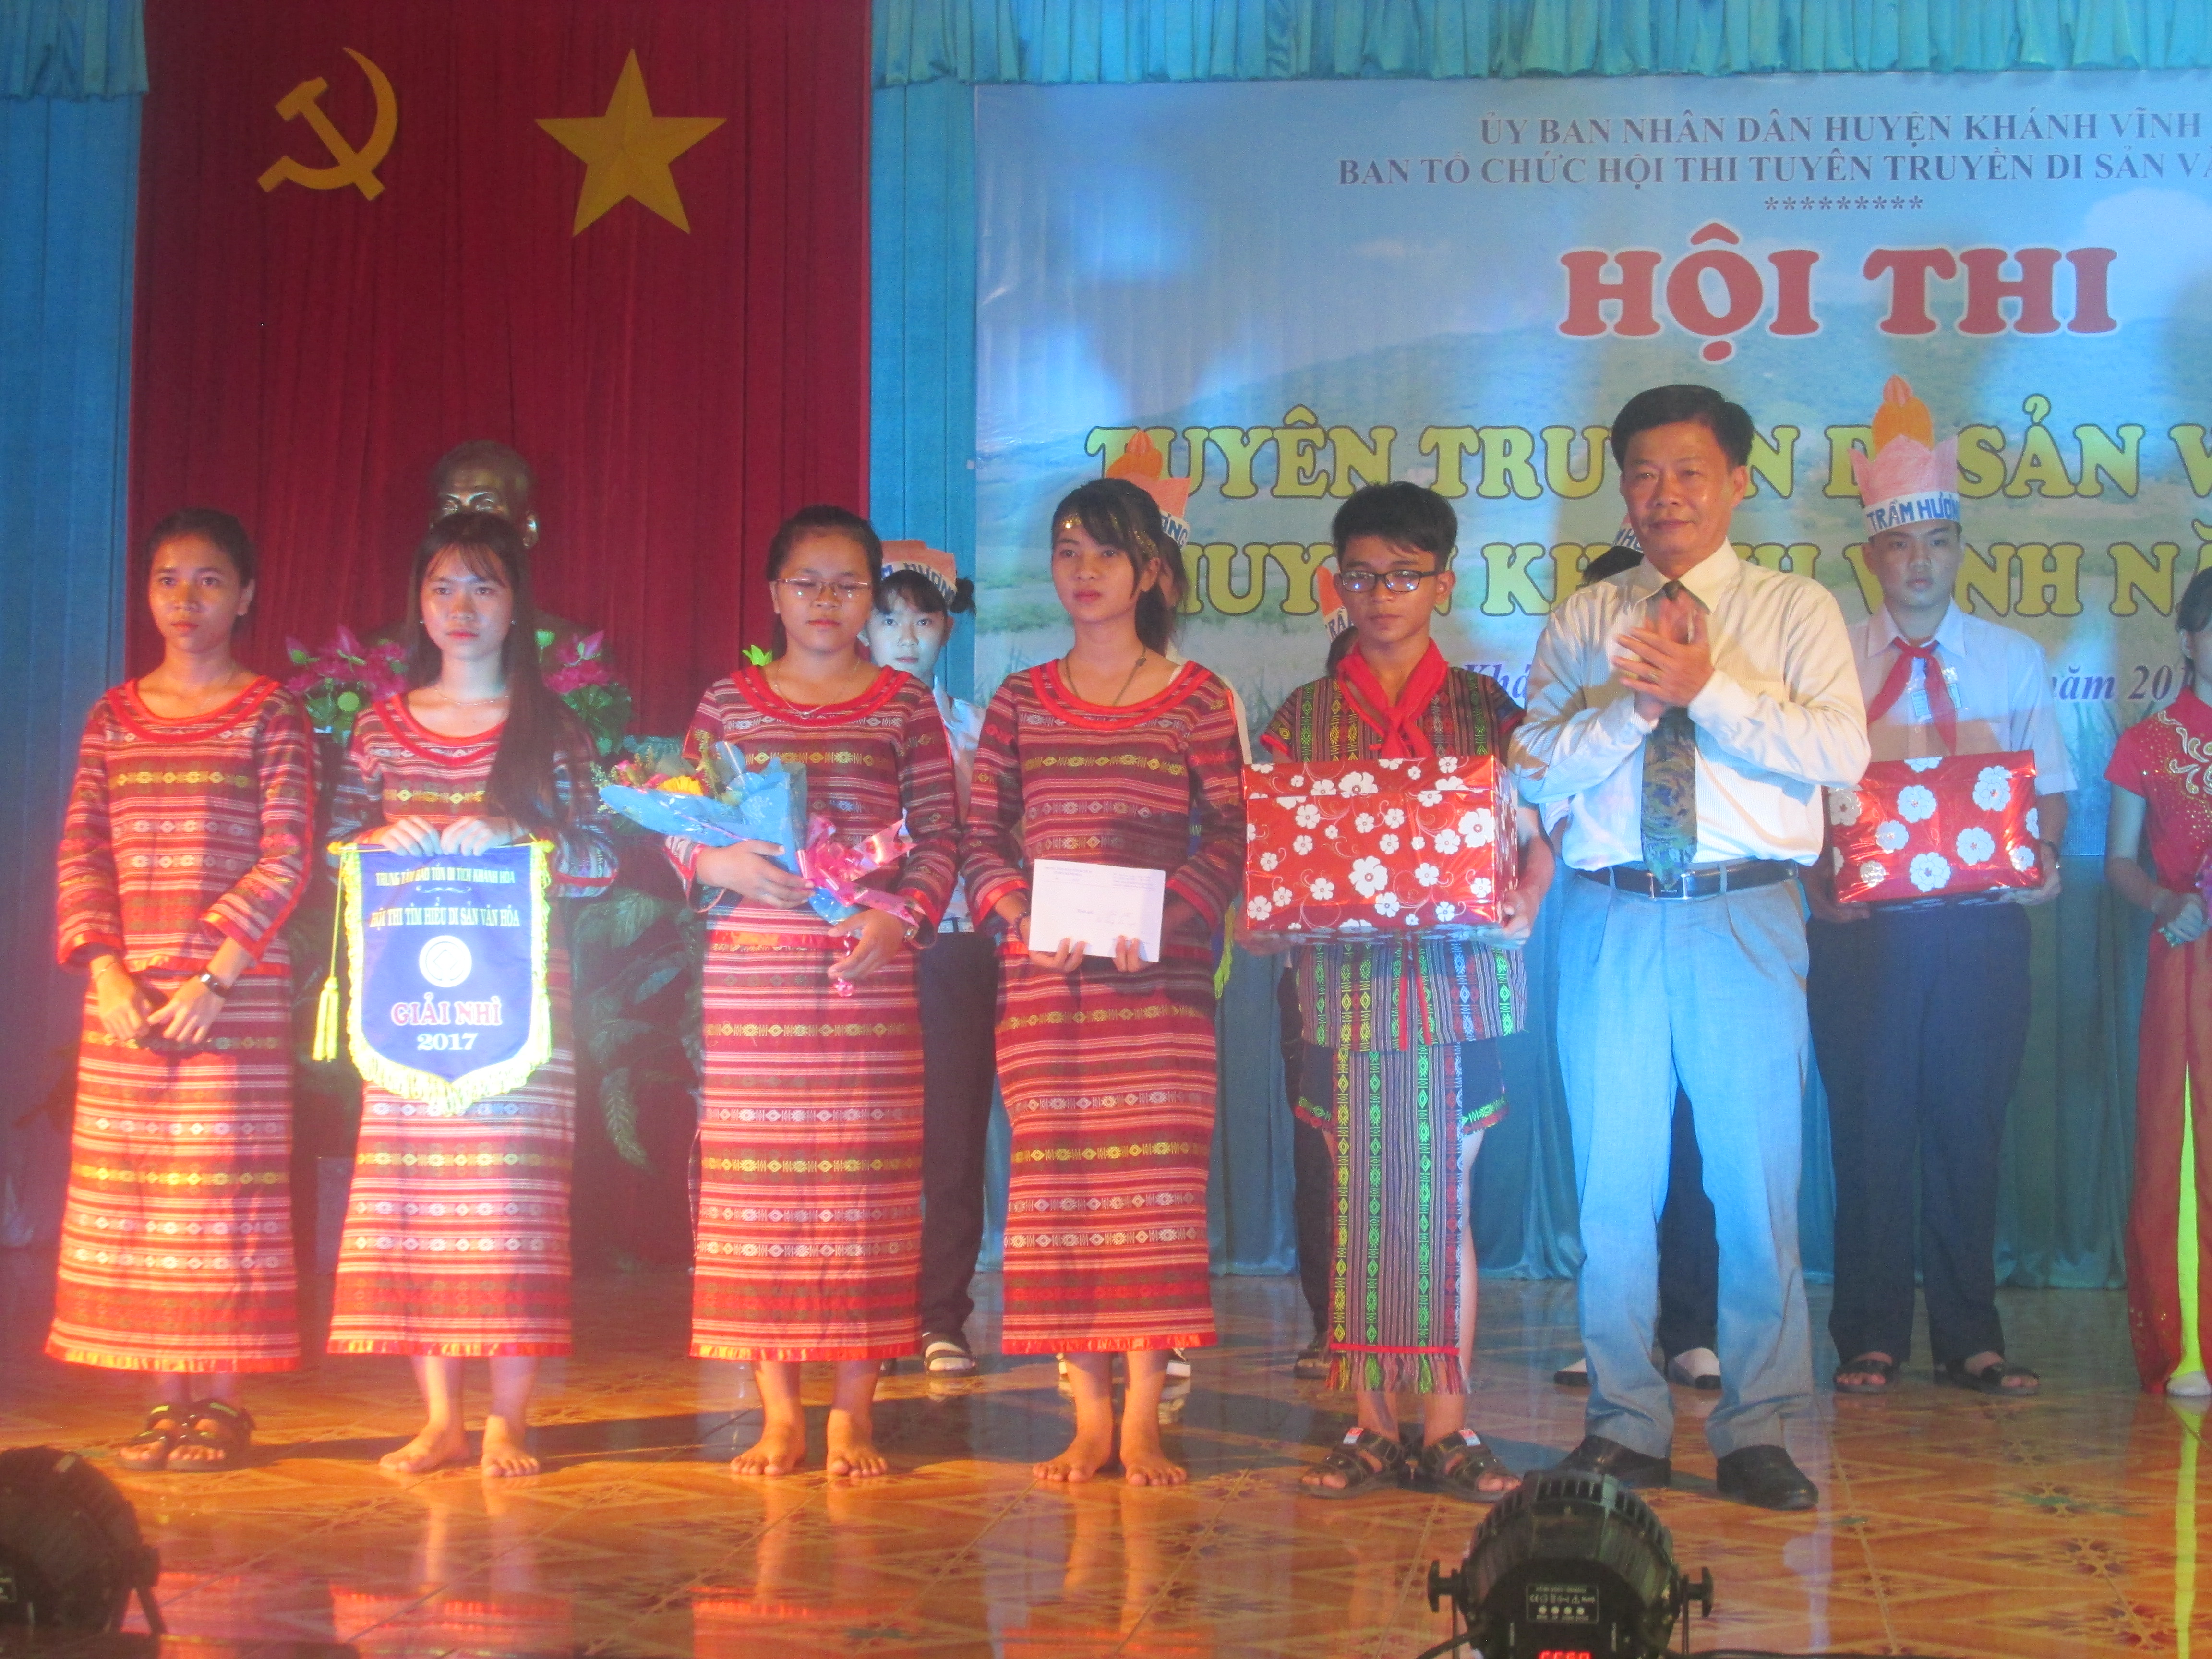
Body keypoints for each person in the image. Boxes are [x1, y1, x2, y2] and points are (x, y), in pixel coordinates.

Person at [1511, 384, 1867, 1512]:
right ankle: (1624, 1425)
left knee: (1755, 1184)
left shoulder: (1794, 609)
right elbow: (1532, 763)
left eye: (1689, 472)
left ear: (1738, 482)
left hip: (1743, 912)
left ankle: (1758, 1432)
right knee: (1614, 1185)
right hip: (1609, 912)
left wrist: (1708, 691)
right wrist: (1629, 709)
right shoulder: (1587, 618)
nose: (1665, 494)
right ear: (1623, 488)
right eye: (1644, 474)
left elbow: (1840, 753)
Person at [1251, 482, 1554, 1503]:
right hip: (1341, 996)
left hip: (1456, 989)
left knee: (1444, 1199)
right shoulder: (1302, 720)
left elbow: (1535, 839)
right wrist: (1266, 912)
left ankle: (1449, 1426)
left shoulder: (1489, 713)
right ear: (1336, 585)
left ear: (1443, 584)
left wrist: (1528, 896)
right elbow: (1273, 857)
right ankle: (1370, 1427)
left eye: (1405, 576)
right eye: (1363, 576)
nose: (1382, 595)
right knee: (1360, 1203)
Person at [963, 477, 1245, 1485]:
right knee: (1060, 1199)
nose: (1084, 572)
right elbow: (981, 835)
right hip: (1046, 991)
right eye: (1068, 551)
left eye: (1107, 553)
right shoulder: (1019, 699)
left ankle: (1143, 1423)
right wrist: (1017, 913)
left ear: (1151, 572)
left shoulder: (1199, 697)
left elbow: (1232, 834)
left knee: (1155, 1197)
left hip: (1160, 989)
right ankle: (1087, 1419)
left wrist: (1169, 921)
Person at [327, 510, 617, 1476]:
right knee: (418, 1204)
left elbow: (602, 861)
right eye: (444, 586)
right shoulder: (378, 729)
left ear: (516, 605)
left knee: (511, 1207)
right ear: (419, 603)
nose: (462, 607)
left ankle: (509, 1420)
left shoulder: (553, 729)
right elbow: (331, 855)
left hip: (524, 1013)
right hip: (407, 1011)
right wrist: (374, 842)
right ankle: (440, 1420)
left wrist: (520, 834)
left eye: (484, 587)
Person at [676, 508, 960, 1476]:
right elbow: (677, 823)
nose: (826, 601)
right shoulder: (728, 702)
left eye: (847, 585)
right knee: (758, 1189)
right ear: (774, 594)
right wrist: (715, 865)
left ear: (871, 599)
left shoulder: (903, 706)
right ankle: (777, 1413)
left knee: (862, 1191)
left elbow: (943, 836)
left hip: (864, 975)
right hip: (752, 976)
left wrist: (901, 920)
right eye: (807, 582)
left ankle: (852, 1412)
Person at [1807, 377, 2069, 1399]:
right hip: (1864, 933)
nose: (1920, 561)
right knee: (1869, 1129)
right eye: (1900, 544)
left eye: (1939, 542)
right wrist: (1817, 885)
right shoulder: (1830, 658)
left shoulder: (2012, 659)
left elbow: (2049, 793)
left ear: (1961, 550)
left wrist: (2040, 863)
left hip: (1981, 932)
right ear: (1872, 555)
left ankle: (1972, 1336)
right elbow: (1802, 792)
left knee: (1969, 1128)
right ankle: (1869, 1335)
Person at [51, 508, 313, 1470]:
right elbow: (82, 850)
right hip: (126, 1000)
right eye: (168, 579)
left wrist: (214, 977)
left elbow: (288, 857)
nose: (186, 599)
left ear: (245, 597)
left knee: (221, 1200)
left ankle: (225, 1407)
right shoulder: (111, 716)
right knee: (139, 1201)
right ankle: (167, 1403)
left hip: (229, 999)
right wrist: (107, 969)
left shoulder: (271, 713)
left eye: (209, 580)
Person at [1550, 542, 1721, 1397]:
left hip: (1712, 912)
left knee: (1700, 1141)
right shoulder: (1584, 688)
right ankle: (1614, 1337)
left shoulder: (1717, 663)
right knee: (1612, 1149)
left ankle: (1692, 1328)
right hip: (1612, 908)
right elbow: (1543, 784)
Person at [865, 543, 996, 1381]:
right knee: (869, 1134)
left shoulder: (978, 727)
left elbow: (1000, 835)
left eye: (924, 619)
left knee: (952, 1134)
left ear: (948, 628)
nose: (907, 637)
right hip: (864, 946)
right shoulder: (843, 721)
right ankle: (870, 1313)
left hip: (952, 943)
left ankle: (940, 1315)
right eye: (890, 619)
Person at [2104, 566, 2212, 1399]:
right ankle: (2191, 1346)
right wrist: (2167, 901)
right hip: (2187, 957)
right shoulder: (2147, 742)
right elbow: (2118, 865)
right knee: (2181, 1143)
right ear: (2187, 639)